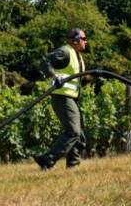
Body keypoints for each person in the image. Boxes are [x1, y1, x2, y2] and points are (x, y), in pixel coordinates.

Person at [35, 28, 89, 170]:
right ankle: (47, 160)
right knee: (73, 131)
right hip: (62, 97)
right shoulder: (65, 52)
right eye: (84, 39)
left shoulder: (76, 55)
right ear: (75, 40)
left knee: (79, 134)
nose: (86, 41)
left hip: (72, 97)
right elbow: (45, 61)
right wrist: (54, 75)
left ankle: (73, 166)